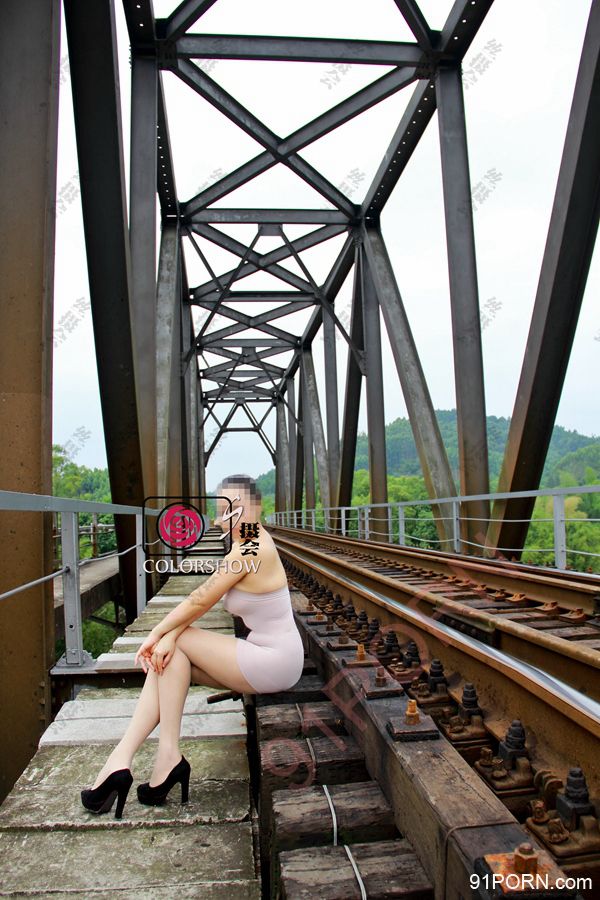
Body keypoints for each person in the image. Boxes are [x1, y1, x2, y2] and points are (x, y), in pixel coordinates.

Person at [80, 474, 304, 818]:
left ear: (256, 509)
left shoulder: (253, 546)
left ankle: (154, 758)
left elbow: (201, 598)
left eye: (237, 508)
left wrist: (158, 634)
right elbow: (201, 600)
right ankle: (133, 759)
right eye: (223, 509)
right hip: (263, 654)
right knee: (170, 661)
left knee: (175, 642)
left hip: (277, 660)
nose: (228, 516)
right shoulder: (247, 539)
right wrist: (166, 639)